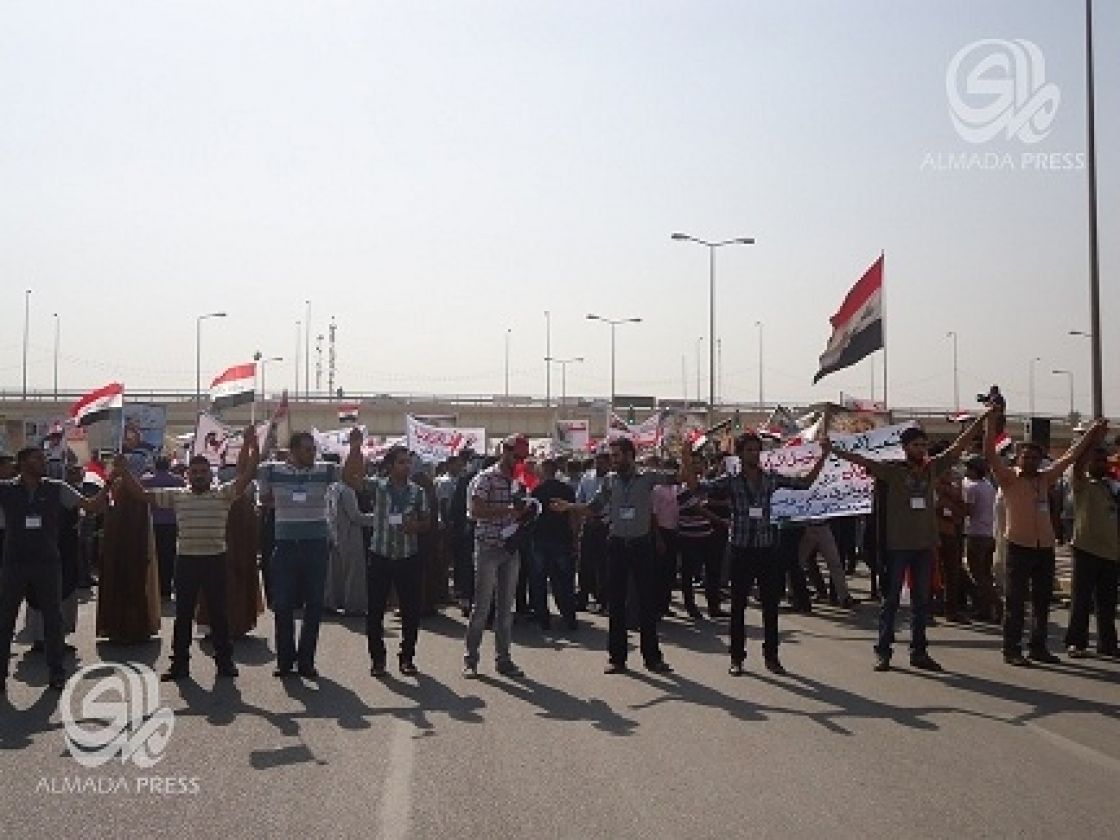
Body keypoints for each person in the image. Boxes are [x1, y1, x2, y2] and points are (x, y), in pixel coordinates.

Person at [829, 411, 991, 672]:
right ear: (904, 448)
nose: (921, 449)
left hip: (924, 546)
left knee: (921, 603)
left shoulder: (932, 469)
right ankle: (883, 651)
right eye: (916, 445)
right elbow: (861, 459)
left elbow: (958, 445)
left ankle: (919, 651)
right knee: (890, 601)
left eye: (923, 445)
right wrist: (834, 449)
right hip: (897, 547)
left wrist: (981, 420)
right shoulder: (891, 472)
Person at [114, 428, 258, 681]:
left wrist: (251, 445)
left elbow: (247, 476)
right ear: (187, 475)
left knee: (219, 614)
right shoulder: (178, 496)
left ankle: (225, 663)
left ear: (209, 475)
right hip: (187, 563)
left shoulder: (223, 494)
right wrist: (124, 472)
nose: (199, 476)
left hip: (215, 560)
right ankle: (179, 665)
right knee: (182, 616)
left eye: (203, 472)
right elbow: (142, 495)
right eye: (195, 472)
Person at [682, 433, 830, 676]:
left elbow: (804, 483)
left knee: (770, 608)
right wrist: (687, 459)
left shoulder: (770, 480)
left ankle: (772, 656)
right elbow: (697, 487)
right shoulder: (731, 481)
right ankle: (737, 658)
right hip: (741, 551)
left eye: (756, 450)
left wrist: (823, 456)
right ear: (740, 454)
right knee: (738, 607)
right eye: (749, 450)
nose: (754, 454)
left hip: (766, 550)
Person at [984, 412, 1106, 666]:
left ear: (1040, 460)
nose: (1030, 461)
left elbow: (1071, 456)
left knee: (1042, 602)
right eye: (1025, 457)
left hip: (1045, 548)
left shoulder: (1045, 478)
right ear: (1018, 458)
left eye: (1034, 457)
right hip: (1018, 547)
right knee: (1016, 603)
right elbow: (990, 454)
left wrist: (1091, 435)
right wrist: (989, 422)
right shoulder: (1008, 479)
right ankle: (1012, 649)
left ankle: (1037, 647)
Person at [552, 437, 682, 675]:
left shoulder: (649, 477)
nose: (613, 460)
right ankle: (617, 658)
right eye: (611, 456)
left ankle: (652, 658)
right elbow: (594, 507)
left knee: (646, 603)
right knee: (616, 604)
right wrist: (569, 507)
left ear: (630, 455)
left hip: (642, 546)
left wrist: (685, 455)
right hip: (617, 545)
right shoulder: (610, 481)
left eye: (617, 455)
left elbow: (680, 478)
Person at [0, 447, 112, 692]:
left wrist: (108, 486)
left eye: (42, 459)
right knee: (5, 619)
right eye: (36, 459)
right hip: (14, 563)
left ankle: (57, 672)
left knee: (53, 619)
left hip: (47, 563)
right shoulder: (6, 490)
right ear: (22, 463)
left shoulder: (57, 488)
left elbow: (90, 506)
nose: (43, 463)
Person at [343, 440, 431, 676]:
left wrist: (416, 526)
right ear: (390, 466)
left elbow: (427, 522)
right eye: (401, 463)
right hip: (380, 556)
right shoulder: (378, 487)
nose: (406, 467)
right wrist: (355, 448)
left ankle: (407, 658)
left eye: (408, 463)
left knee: (410, 612)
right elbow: (350, 478)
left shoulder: (417, 492)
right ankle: (378, 660)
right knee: (375, 611)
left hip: (407, 557)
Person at [258, 431, 340, 680]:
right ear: (292, 451)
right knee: (282, 605)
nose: (312, 453)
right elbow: (256, 481)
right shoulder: (271, 471)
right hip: (285, 545)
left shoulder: (326, 470)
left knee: (314, 605)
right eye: (306, 449)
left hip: (315, 544)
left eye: (313, 448)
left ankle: (306, 661)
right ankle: (285, 661)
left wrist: (356, 446)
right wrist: (259, 443)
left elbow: (353, 477)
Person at [462, 435, 535, 678]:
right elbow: (475, 510)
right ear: (505, 451)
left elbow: (522, 508)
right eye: (516, 456)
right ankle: (471, 660)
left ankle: (503, 659)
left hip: (510, 548)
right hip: (488, 547)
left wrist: (526, 512)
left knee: (506, 608)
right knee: (482, 607)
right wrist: (507, 509)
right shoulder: (486, 478)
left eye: (523, 458)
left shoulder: (519, 480)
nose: (519, 461)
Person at [1064, 443, 1118, 658]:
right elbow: (1076, 465)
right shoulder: (1082, 483)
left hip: (1111, 552)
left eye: (1104, 460)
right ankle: (1077, 643)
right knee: (1081, 600)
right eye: (1096, 460)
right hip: (1086, 549)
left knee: (1107, 602)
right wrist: (1092, 438)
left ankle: (1108, 644)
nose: (1101, 464)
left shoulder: (1110, 487)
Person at [530, 458, 578, 631]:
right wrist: (575, 538)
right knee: (564, 581)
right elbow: (573, 515)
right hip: (562, 539)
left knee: (539, 581)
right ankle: (569, 616)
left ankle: (543, 618)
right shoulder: (567, 489)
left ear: (544, 470)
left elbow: (531, 516)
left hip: (541, 540)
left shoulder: (536, 491)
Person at [961, 457, 1000, 624]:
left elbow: (968, 510)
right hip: (989, 532)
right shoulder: (988, 486)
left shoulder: (973, 488)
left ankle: (996, 605)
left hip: (976, 533)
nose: (966, 472)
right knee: (985, 573)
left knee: (978, 574)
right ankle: (985, 608)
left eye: (969, 469)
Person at [142, 455, 186, 598]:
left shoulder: (146, 481)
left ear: (155, 465)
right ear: (168, 466)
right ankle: (166, 589)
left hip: (152, 522)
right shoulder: (178, 481)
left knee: (152, 556)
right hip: (171, 523)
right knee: (169, 556)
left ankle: (152, 587)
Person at [325, 475, 369, 616]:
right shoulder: (347, 491)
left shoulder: (333, 488)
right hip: (350, 535)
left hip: (335, 533)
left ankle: (330, 603)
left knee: (335, 573)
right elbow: (356, 516)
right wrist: (379, 518)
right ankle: (354, 606)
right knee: (354, 573)